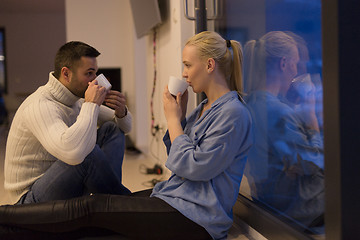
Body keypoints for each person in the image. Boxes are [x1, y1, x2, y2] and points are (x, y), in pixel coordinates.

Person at [0, 31, 252, 240]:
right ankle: (13, 219)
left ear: (209, 65)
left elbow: (191, 166)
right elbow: (176, 155)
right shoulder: (206, 107)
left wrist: (170, 118)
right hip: (33, 197)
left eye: (187, 65)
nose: (184, 73)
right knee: (97, 209)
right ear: (66, 74)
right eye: (89, 73)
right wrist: (180, 118)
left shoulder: (233, 113)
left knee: (94, 207)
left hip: (197, 216)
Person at [4, 41, 132, 205]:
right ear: (66, 74)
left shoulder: (75, 100)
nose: (95, 81)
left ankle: (111, 202)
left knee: (111, 129)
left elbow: (124, 128)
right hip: (28, 199)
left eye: (95, 73)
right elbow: (74, 153)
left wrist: (122, 112)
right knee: (86, 152)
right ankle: (124, 203)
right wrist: (91, 105)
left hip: (58, 180)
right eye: (89, 73)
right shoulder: (40, 105)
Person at [243, 31, 324, 229]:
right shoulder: (277, 110)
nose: (296, 71)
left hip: (267, 199)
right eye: (295, 63)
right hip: (294, 208)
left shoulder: (252, 102)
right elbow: (314, 163)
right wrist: (312, 119)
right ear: (284, 63)